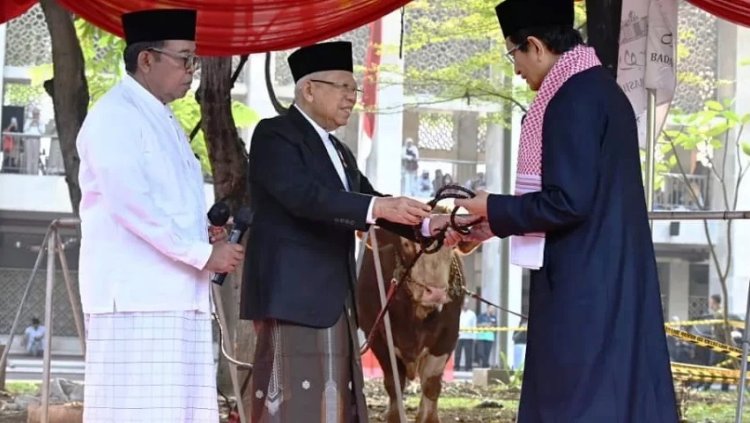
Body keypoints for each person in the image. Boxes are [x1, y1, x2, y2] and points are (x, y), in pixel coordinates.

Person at [445, 0, 678, 421]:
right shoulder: (599, 89)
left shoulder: (572, 99)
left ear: (534, 45)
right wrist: (494, 222)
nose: (515, 68)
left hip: (584, 284)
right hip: (608, 274)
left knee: (577, 401)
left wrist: (495, 207)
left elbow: (568, 200)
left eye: (512, 53)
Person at [240, 41, 462, 423]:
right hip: (294, 298)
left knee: (336, 403)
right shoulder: (275, 135)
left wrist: (429, 224)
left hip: (336, 299)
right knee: (294, 403)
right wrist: (377, 207)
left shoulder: (339, 151)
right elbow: (304, 197)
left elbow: (371, 201)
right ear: (309, 90)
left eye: (354, 89)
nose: (351, 98)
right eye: (343, 88)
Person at [76, 9, 243, 422]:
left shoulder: (162, 118)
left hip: (174, 295)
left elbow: (166, 206)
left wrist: (205, 233)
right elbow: (134, 206)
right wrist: (201, 254)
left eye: (194, 60)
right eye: (184, 58)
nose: (192, 71)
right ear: (146, 59)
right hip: (137, 300)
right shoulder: (115, 116)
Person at [455, 298, 476, 371]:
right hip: (459, 336)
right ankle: (456, 367)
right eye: (464, 304)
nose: (465, 305)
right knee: (457, 353)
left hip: (468, 336)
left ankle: (468, 367)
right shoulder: (458, 312)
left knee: (468, 353)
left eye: (466, 304)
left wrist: (474, 337)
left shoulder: (472, 314)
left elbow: (474, 326)